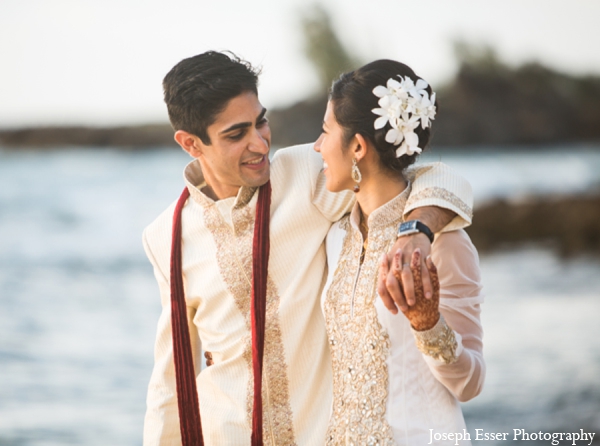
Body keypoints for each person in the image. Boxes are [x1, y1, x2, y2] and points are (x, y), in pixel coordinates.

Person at [142, 51, 474, 445]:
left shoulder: (304, 175)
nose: (260, 144)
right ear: (191, 144)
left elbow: (431, 174)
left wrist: (417, 230)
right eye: (236, 134)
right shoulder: (165, 235)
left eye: (260, 122)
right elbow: (170, 380)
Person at [314, 59, 484, 445]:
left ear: (357, 147)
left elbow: (471, 383)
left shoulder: (445, 243)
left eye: (325, 132)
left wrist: (428, 325)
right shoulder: (336, 236)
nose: (317, 146)